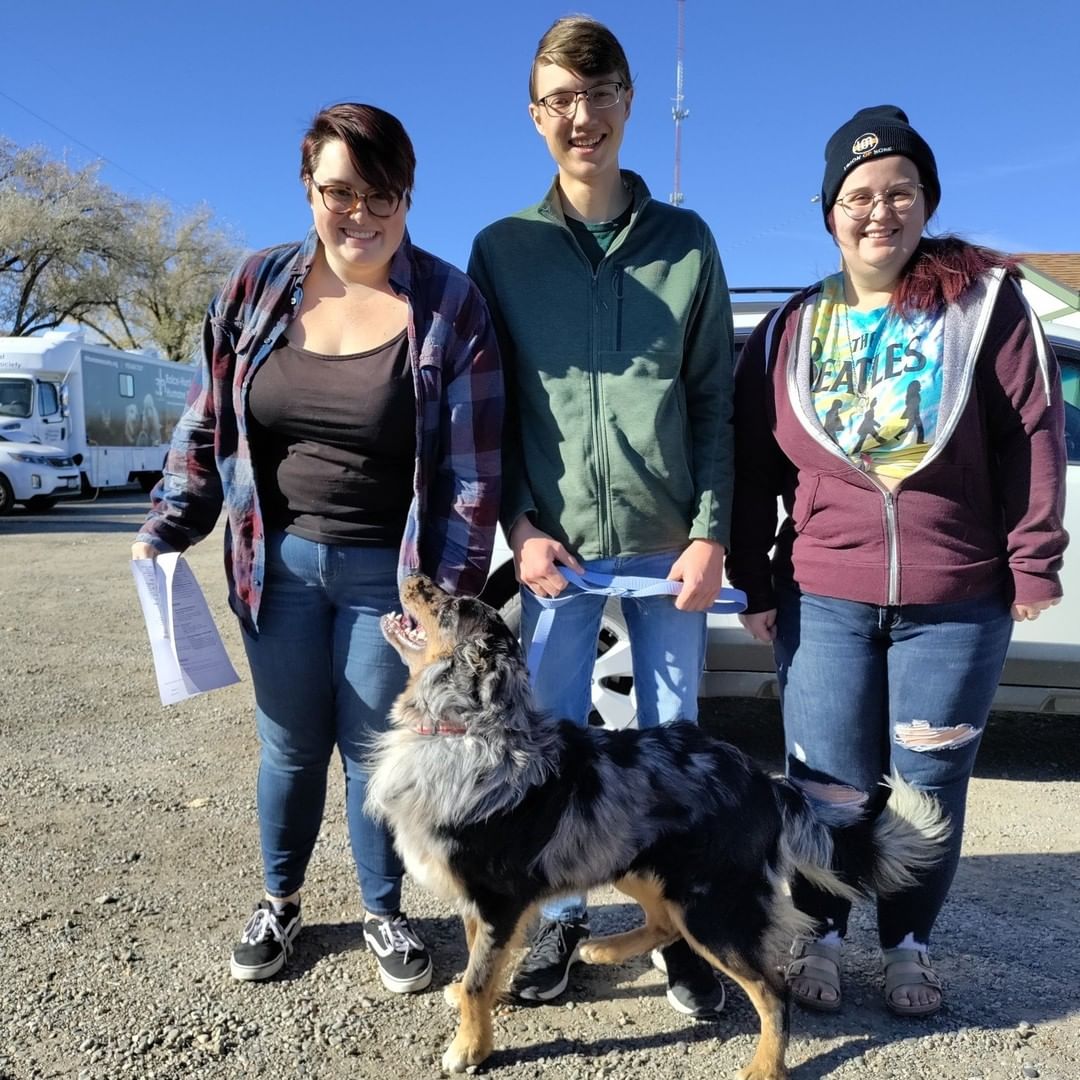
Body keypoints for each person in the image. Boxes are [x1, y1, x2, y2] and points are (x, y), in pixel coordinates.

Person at [132, 103, 502, 992]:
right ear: (309, 190)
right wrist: (166, 525)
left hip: (393, 575)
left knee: (377, 746)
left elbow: (471, 476)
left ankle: (383, 910)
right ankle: (281, 900)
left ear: (408, 197)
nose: (360, 216)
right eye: (339, 192)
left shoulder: (449, 305)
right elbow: (205, 424)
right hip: (278, 564)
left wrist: (443, 601)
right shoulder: (255, 287)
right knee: (290, 744)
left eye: (382, 196)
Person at [726, 105, 1067, 1017]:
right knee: (827, 789)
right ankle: (825, 936)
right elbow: (752, 466)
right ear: (829, 209)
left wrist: (1033, 561)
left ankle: (908, 945)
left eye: (900, 191)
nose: (879, 211)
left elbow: (1033, 434)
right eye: (858, 194)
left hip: (956, 599)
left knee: (926, 787)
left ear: (927, 201)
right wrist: (755, 584)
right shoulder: (789, 328)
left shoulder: (984, 310)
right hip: (824, 596)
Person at [468, 16, 734, 1018]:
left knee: (674, 749)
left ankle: (682, 933)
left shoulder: (687, 243)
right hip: (558, 556)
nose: (582, 117)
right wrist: (522, 528)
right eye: (559, 100)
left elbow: (711, 399)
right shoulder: (503, 252)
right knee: (552, 755)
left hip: (670, 550)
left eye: (599, 93)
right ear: (537, 116)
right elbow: (491, 408)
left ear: (627, 100)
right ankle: (559, 923)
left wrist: (711, 528)